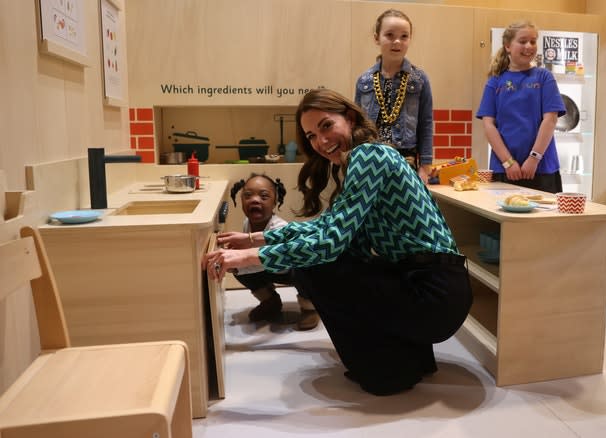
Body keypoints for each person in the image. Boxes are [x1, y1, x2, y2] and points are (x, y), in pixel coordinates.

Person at [202, 88, 472, 396]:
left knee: (315, 267)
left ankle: (386, 372)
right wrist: (254, 237)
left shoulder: (369, 156)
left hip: (435, 293)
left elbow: (328, 243)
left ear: (351, 118)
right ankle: (409, 360)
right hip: (433, 284)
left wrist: (249, 256)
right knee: (330, 261)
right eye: (312, 136)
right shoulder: (361, 160)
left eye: (326, 126)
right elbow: (328, 226)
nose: (321, 141)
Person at [476, 20, 566, 193]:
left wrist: (534, 158)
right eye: (523, 41)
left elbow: (550, 120)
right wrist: (508, 162)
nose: (529, 46)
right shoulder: (495, 81)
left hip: (542, 168)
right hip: (505, 169)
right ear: (508, 46)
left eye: (533, 41)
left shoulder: (544, 77)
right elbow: (488, 125)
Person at [223, 173, 319, 331]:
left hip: (292, 269)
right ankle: (270, 302)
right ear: (241, 200)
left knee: (305, 269)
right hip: (271, 268)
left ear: (275, 201)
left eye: (264, 196)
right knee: (240, 269)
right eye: (247, 195)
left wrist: (238, 264)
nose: (254, 200)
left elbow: (270, 259)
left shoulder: (279, 227)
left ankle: (310, 308)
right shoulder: (248, 222)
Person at [354, 9, 434, 185]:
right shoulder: (364, 80)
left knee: (404, 210)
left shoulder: (419, 79)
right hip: (370, 158)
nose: (397, 41)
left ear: (409, 39)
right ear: (377, 38)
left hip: (406, 158)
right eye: (389, 35)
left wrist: (425, 165)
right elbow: (357, 124)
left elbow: (426, 123)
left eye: (404, 36)